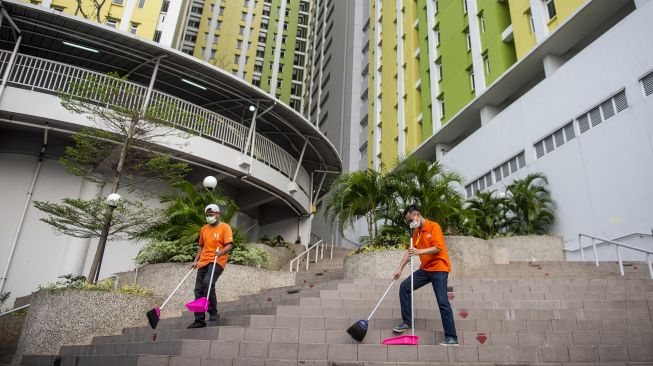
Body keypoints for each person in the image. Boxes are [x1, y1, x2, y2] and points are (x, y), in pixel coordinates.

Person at [392, 204, 458, 346]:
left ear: (416, 215)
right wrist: (399, 268)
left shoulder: (434, 226)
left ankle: (452, 337)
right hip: (426, 269)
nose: (410, 223)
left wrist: (420, 252)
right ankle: (407, 322)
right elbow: (409, 251)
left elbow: (438, 248)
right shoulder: (417, 233)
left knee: (443, 302)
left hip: (439, 268)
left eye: (410, 220)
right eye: (408, 221)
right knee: (405, 287)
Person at [187, 203, 233, 329]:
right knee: (198, 290)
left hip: (218, 260)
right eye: (207, 215)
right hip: (203, 261)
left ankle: (213, 312)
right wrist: (195, 260)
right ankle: (199, 320)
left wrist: (221, 252)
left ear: (218, 214)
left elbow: (229, 245)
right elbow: (201, 246)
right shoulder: (204, 229)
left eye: (211, 215)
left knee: (207, 283)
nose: (209, 217)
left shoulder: (225, 227)